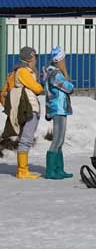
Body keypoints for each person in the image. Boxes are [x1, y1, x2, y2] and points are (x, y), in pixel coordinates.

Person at [4, 47, 43, 179]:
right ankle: (22, 170)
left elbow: (3, 92)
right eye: (35, 56)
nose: (36, 59)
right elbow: (37, 88)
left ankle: (22, 169)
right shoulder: (24, 71)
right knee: (26, 139)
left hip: (24, 109)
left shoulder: (16, 71)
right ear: (30, 57)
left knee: (24, 138)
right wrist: (41, 86)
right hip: (29, 109)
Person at [42, 46, 74, 179]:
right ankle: (51, 170)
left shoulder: (52, 72)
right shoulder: (56, 74)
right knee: (58, 139)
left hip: (59, 108)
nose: (65, 61)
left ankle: (59, 169)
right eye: (64, 59)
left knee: (60, 140)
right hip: (58, 109)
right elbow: (70, 88)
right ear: (60, 59)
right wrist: (66, 72)